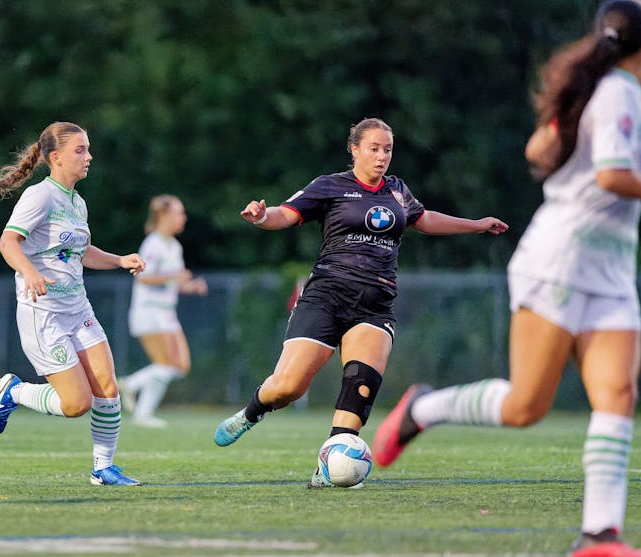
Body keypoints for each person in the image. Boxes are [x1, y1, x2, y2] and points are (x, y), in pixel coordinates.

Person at [372, 0, 641, 557]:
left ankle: (599, 535)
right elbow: (613, 175)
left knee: (617, 393)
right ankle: (423, 409)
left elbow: (536, 151)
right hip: (561, 263)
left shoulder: (601, 90)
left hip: (610, 267)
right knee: (526, 406)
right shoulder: (618, 91)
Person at [212, 117, 508, 489]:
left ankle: (329, 463)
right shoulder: (330, 186)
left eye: (388, 149)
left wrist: (476, 224)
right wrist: (261, 217)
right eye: (374, 148)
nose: (382, 156)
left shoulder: (397, 189)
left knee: (360, 384)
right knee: (287, 387)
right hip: (326, 296)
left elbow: (425, 218)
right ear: (354, 150)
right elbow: (285, 215)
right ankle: (252, 412)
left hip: (375, 302)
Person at [0, 121, 147, 486]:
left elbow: (78, 253)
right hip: (44, 313)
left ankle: (103, 469)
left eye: (88, 149)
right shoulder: (40, 196)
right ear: (55, 157)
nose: (88, 156)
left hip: (78, 309)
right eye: (80, 150)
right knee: (75, 405)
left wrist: (118, 260)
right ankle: (14, 391)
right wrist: (30, 274)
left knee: (108, 389)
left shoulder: (76, 202)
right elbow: (8, 243)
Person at [118, 194, 207, 428]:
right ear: (164, 216)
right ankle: (139, 404)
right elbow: (143, 279)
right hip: (149, 311)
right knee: (168, 365)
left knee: (179, 366)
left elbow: (173, 283)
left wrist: (191, 286)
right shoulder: (153, 244)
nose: (183, 218)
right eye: (179, 213)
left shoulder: (174, 246)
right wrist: (175, 276)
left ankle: (132, 388)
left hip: (166, 312)